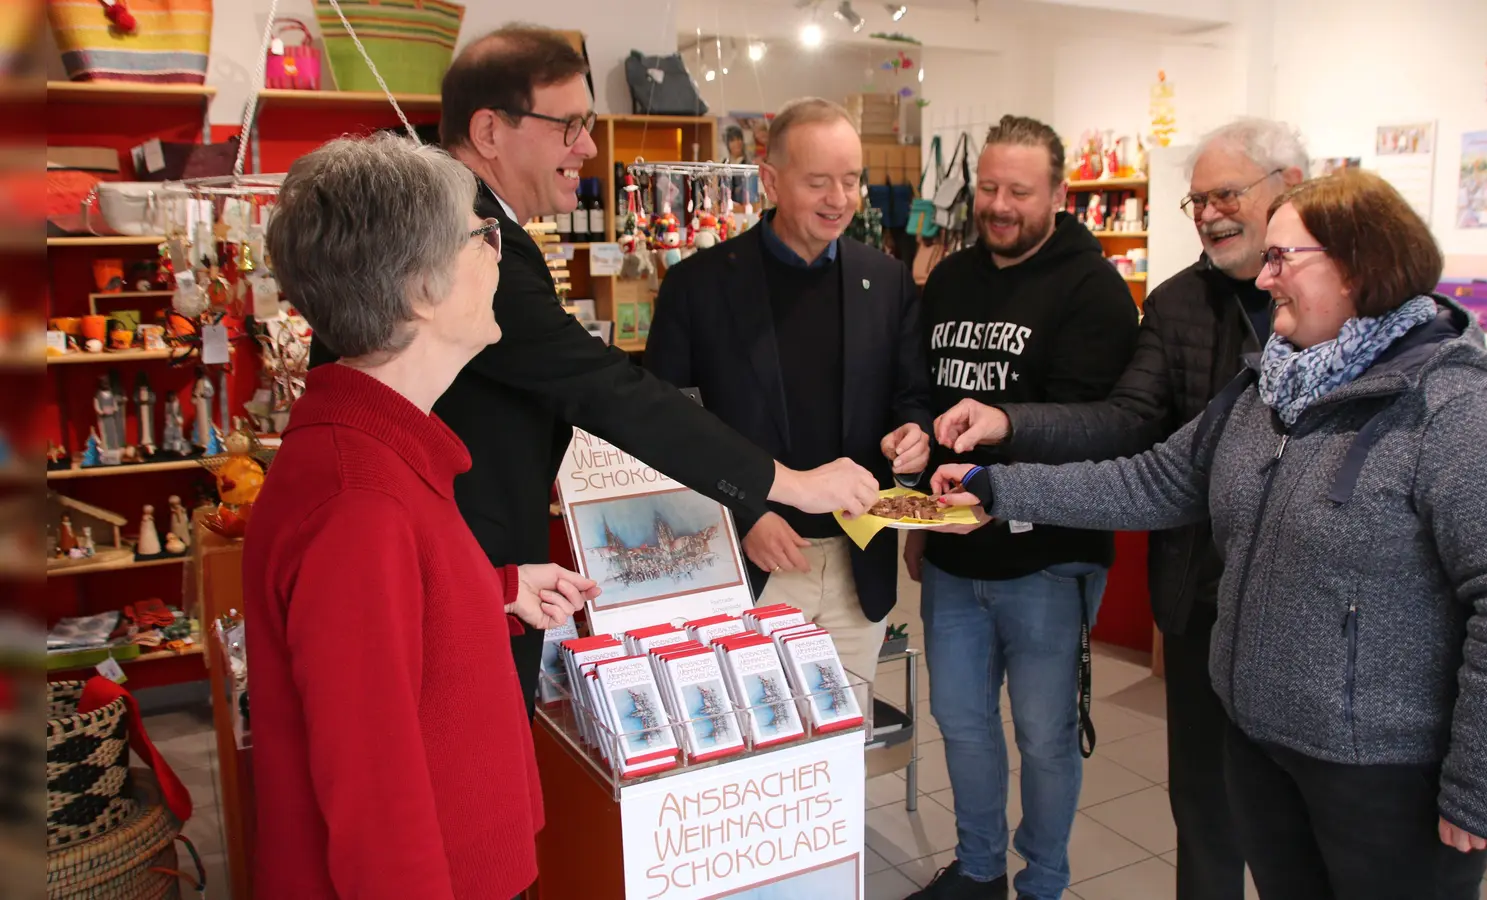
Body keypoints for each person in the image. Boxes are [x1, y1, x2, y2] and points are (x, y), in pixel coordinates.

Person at [933, 170, 1487, 900]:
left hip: (1385, 775)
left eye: (1284, 258)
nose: (1266, 277)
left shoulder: (1457, 407)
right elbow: (1155, 480)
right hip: (1262, 746)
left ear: (1360, 268)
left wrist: (1483, 783)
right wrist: (999, 489)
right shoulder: (1269, 388)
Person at [307, 26, 879, 708]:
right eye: (570, 125)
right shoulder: (451, 235)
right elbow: (604, 386)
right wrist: (787, 483)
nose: (588, 145)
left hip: (472, 571)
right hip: (443, 583)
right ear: (490, 130)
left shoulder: (468, 223)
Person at [930, 117, 1309, 900]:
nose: (1209, 213)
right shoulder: (1177, 305)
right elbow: (1132, 435)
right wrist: (1006, 440)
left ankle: (1041, 877)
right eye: (1196, 199)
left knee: (1308, 837)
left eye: (1227, 194)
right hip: (1203, 604)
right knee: (1204, 817)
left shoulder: (1390, 334)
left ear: (1293, 194)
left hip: (1318, 628)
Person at [244, 133, 597, 899]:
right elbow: (375, 798)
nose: (500, 250)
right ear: (421, 289)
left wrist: (491, 589)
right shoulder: (359, 501)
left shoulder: (380, 451)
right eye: (481, 234)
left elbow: (392, 633)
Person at [906, 115, 1139, 900]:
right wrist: (917, 507)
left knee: (1043, 737)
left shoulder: (1093, 290)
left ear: (1060, 195)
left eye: (1019, 191)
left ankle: (1043, 881)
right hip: (952, 552)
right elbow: (925, 397)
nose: (999, 205)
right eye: (989, 188)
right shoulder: (950, 277)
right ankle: (979, 872)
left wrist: (1000, 458)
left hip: (1050, 559)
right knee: (962, 723)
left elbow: (1094, 431)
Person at [646, 97, 931, 684]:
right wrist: (743, 513)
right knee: (754, 761)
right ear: (771, 181)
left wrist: (913, 437)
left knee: (844, 753)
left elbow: (912, 395)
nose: (840, 200)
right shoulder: (697, 287)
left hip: (860, 570)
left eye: (851, 181)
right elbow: (666, 427)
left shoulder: (886, 280)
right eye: (819, 182)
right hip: (753, 566)